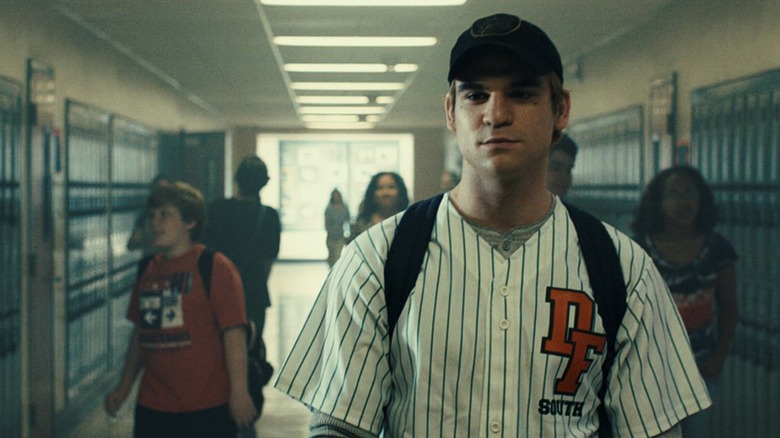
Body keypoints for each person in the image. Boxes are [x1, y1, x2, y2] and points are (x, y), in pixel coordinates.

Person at [274, 12, 708, 437]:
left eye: (521, 94)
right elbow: (340, 426)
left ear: (561, 109)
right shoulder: (377, 260)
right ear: (450, 111)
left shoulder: (622, 269)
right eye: (476, 95)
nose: (495, 114)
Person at [105, 181, 256, 437]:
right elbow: (141, 334)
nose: (155, 223)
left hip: (206, 405)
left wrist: (239, 392)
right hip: (153, 406)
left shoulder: (214, 267)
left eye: (165, 214)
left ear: (190, 222)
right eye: (152, 215)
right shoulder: (148, 270)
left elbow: (234, 333)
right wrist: (124, 386)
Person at [631, 165, 737, 437]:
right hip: (650, 370)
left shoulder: (717, 249)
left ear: (701, 200)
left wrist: (719, 356)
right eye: (673, 193)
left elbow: (728, 306)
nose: (683, 201)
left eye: (690, 193)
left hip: (699, 368)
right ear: (659, 201)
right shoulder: (639, 248)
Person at [203, 156, 280, 357]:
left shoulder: (216, 209)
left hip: (218, 287)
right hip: (254, 290)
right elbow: (268, 259)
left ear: (236, 180)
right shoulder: (269, 216)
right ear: (265, 183)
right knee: (250, 349)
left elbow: (205, 251)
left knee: (218, 348)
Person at [347, 171, 409, 242]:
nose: (386, 193)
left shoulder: (410, 222)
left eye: (391, 187)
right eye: (380, 188)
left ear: (401, 192)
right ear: (372, 194)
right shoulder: (361, 225)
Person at [126, 173, 170, 255]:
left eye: (164, 190)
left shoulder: (176, 215)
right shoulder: (145, 216)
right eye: (158, 189)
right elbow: (131, 245)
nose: (161, 193)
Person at [324, 188, 351, 267]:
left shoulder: (344, 208)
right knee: (331, 256)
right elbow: (326, 222)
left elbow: (348, 221)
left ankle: (335, 271)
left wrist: (347, 233)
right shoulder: (329, 209)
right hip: (331, 236)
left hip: (340, 236)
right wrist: (330, 230)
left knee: (337, 255)